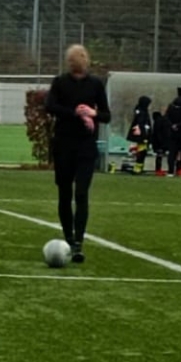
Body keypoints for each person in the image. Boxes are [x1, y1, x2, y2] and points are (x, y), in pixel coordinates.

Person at [42, 44, 110, 265]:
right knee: (64, 193)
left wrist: (93, 113)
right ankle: (69, 238)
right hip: (63, 144)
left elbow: (106, 115)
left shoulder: (95, 84)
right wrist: (77, 114)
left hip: (86, 146)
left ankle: (78, 242)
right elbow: (50, 106)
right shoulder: (60, 82)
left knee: (81, 193)